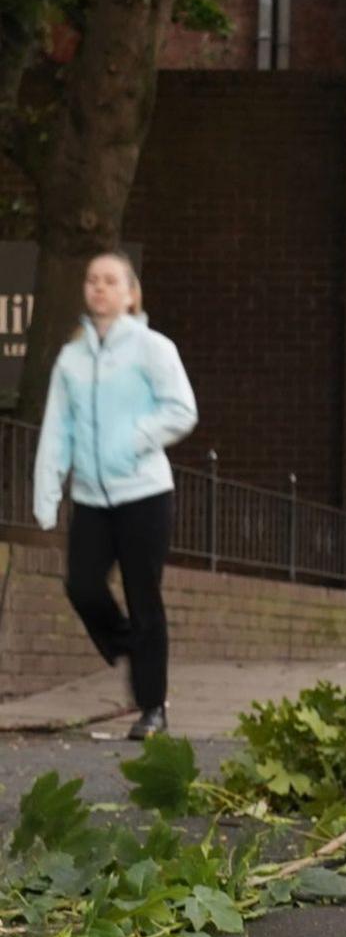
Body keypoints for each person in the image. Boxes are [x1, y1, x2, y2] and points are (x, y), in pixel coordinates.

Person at [32, 251, 198, 740]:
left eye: (110, 281)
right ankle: (134, 643)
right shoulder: (72, 358)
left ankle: (152, 710)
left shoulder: (153, 349)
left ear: (130, 294)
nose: (99, 288)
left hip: (144, 493)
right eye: (92, 280)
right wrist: (47, 493)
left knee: (143, 595)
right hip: (90, 496)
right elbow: (56, 428)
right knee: (81, 585)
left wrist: (133, 438)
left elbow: (181, 410)